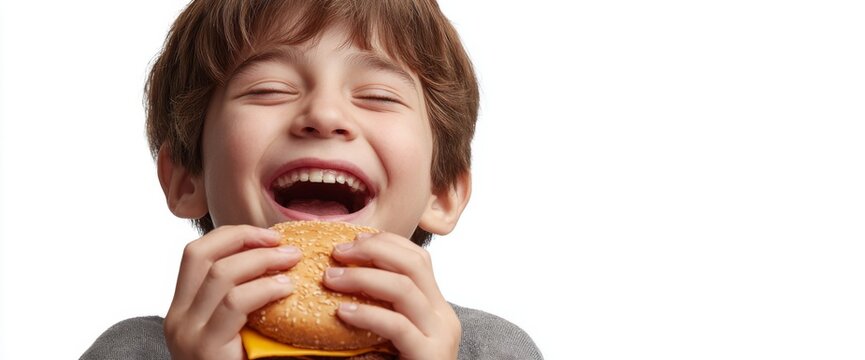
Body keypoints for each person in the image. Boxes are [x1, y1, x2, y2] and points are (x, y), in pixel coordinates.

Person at [79, 1, 542, 359]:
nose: (323, 115)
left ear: (441, 192)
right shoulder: (134, 351)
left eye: (378, 96)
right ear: (185, 177)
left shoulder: (490, 349)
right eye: (268, 90)